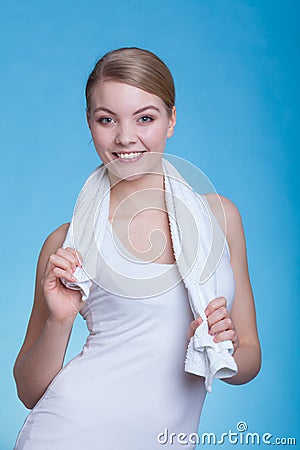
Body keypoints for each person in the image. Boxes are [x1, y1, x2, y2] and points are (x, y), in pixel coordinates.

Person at [13, 47, 261, 450]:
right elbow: (28, 390)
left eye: (145, 118)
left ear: (171, 120)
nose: (125, 137)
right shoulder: (68, 244)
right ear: (90, 124)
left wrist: (221, 350)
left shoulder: (221, 217)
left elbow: (249, 356)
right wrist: (59, 321)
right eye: (106, 119)